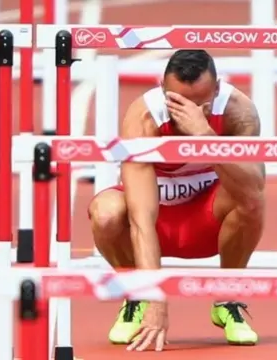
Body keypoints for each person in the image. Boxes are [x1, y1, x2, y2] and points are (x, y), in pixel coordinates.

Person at [88, 49, 266, 352]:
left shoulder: (239, 112)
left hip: (208, 219)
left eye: (199, 104)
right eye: (177, 102)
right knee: (105, 211)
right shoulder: (143, 118)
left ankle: (227, 297)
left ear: (218, 88)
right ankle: (138, 296)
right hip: (158, 220)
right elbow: (141, 219)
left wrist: (206, 137)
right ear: (162, 88)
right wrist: (155, 295)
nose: (187, 112)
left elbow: (254, 189)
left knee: (249, 199)